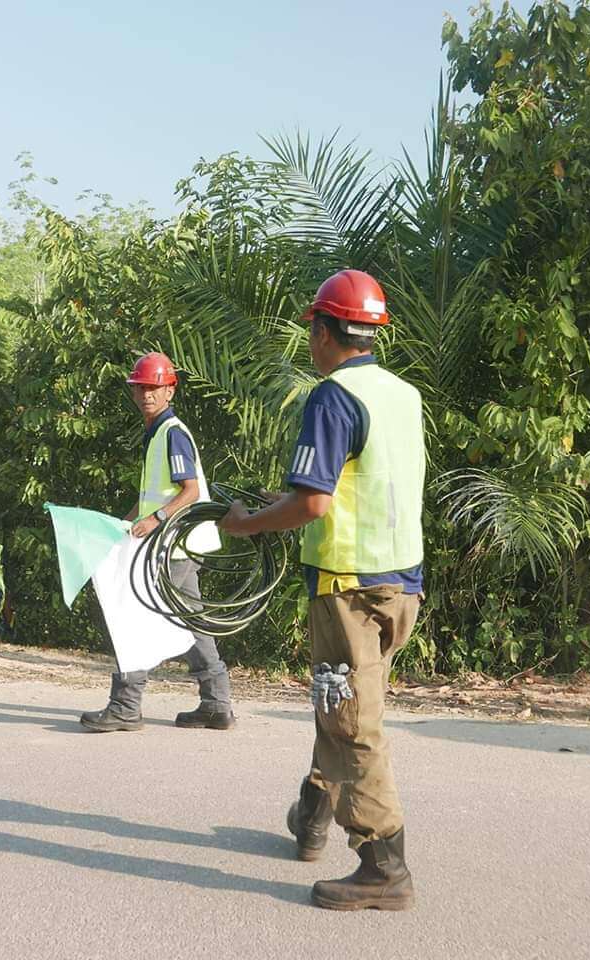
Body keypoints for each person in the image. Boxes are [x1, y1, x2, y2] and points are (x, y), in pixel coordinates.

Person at [220, 269, 423, 911]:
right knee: (341, 703)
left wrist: (247, 523)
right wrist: (277, 504)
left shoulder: (333, 397)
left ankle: (384, 865)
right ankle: (312, 814)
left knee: (353, 722)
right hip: (400, 584)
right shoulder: (403, 395)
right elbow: (360, 484)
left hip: (348, 589)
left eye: (312, 328)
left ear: (324, 331)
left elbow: (313, 502)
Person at [79, 351, 236, 733]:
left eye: (155, 387)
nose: (147, 394)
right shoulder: (158, 432)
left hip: (174, 546)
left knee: (137, 616)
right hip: (178, 545)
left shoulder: (171, 433)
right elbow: (154, 495)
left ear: (170, 391)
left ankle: (126, 705)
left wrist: (155, 519)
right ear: (134, 392)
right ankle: (216, 704)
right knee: (191, 621)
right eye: (142, 388)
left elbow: (190, 490)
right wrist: (128, 521)